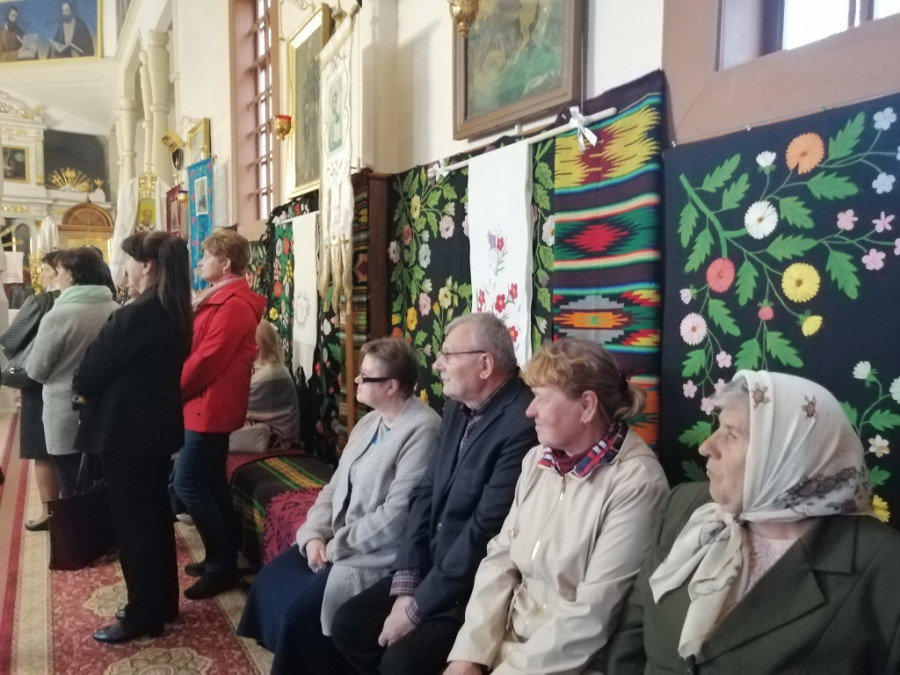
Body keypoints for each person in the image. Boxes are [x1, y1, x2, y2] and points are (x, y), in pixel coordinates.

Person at [605, 370, 900, 673]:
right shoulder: (684, 505)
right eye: (718, 428)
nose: (706, 446)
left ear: (788, 457)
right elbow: (633, 630)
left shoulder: (884, 566)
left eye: (732, 434)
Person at [330, 312, 538, 674]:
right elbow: (423, 496)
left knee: (400, 663)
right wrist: (406, 584)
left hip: (471, 587)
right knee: (349, 624)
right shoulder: (457, 408)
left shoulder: (522, 422)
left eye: (448, 355)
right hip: (430, 569)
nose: (437, 364)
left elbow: (484, 532)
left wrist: (416, 607)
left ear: (485, 365)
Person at [445, 338, 669, 674]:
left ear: (587, 405)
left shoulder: (636, 483)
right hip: (507, 644)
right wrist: (469, 655)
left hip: (572, 664)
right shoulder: (537, 460)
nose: (529, 410)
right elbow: (500, 559)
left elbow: (592, 614)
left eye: (541, 398)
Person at [237, 337, 442, 674]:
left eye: (366, 376)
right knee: (269, 582)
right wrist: (313, 535)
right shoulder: (370, 421)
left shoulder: (424, 429)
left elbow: (397, 516)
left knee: (299, 616)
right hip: (338, 540)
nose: (356, 380)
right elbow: (334, 487)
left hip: (376, 553)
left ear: (391, 386)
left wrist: (335, 547)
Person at [72, 232, 193, 644]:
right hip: (153, 431)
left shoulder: (139, 312)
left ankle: (144, 615)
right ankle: (162, 602)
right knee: (154, 519)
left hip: (125, 434)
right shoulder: (173, 308)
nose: (122, 269)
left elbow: (91, 370)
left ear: (146, 265)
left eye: (127, 261)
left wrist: (81, 391)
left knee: (134, 528)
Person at [174, 229, 265, 600]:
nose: (200, 262)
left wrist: (171, 389)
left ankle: (222, 566)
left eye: (206, 256)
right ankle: (222, 556)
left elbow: (208, 359)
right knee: (210, 483)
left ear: (225, 263)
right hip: (204, 402)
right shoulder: (219, 297)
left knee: (187, 484)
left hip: (210, 404)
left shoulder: (234, 304)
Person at [25, 248, 118, 497]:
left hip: (66, 411)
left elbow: (36, 370)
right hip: (106, 409)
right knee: (104, 485)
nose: (57, 278)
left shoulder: (60, 315)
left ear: (72, 275)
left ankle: (79, 525)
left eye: (59, 272)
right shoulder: (115, 309)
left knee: (72, 487)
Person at [0, 252, 61, 531]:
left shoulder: (41, 301)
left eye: (45, 269)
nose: (42, 274)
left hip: (37, 383)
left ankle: (49, 512)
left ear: (57, 271)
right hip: (72, 383)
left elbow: (11, 339)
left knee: (41, 449)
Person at [228, 320, 300, 453]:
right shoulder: (267, 368)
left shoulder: (268, 374)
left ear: (256, 345)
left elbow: (237, 408)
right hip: (266, 429)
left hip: (277, 437)